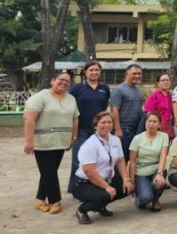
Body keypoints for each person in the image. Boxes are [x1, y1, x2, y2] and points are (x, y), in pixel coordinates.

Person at [24, 72, 79, 214]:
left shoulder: (71, 99)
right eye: (61, 79)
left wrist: (73, 137)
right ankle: (55, 200)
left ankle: (40, 200)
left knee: (49, 172)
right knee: (49, 172)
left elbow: (75, 118)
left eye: (67, 81)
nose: (64, 83)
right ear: (52, 80)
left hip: (61, 141)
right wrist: (29, 141)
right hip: (43, 143)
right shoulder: (40, 97)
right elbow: (29, 120)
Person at [72, 112, 134, 224]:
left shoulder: (115, 140)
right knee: (106, 194)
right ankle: (82, 211)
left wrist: (126, 179)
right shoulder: (90, 144)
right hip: (84, 183)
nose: (107, 125)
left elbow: (120, 160)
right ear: (95, 126)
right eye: (103, 122)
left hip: (105, 180)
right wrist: (107, 187)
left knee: (127, 188)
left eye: (109, 122)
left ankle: (99, 206)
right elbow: (89, 171)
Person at [67, 61, 110, 192]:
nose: (94, 72)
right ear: (85, 72)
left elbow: (105, 108)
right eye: (91, 70)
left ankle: (93, 187)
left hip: (98, 131)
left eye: (97, 70)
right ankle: (75, 188)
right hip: (81, 129)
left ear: (100, 72)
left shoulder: (105, 88)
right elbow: (70, 108)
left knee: (97, 160)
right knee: (79, 159)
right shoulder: (77, 88)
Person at [128, 111, 169, 212]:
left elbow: (163, 156)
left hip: (156, 169)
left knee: (160, 181)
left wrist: (160, 173)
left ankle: (155, 200)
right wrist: (131, 181)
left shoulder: (164, 136)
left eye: (155, 122)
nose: (151, 124)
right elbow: (132, 161)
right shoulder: (137, 138)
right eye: (149, 121)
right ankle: (140, 198)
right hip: (141, 172)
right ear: (145, 122)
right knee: (145, 198)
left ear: (159, 124)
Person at [110, 63, 144, 160]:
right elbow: (114, 110)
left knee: (131, 158)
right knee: (121, 159)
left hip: (135, 130)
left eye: (139, 74)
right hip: (123, 130)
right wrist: (118, 130)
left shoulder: (138, 90)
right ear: (127, 74)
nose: (137, 76)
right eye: (134, 73)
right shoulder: (119, 90)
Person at [144, 73, 174, 139]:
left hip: (170, 128)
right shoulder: (154, 95)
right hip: (158, 128)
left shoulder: (172, 95)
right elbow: (149, 113)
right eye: (163, 80)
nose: (165, 82)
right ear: (158, 83)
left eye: (167, 80)